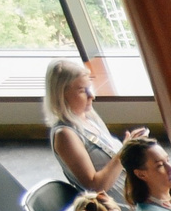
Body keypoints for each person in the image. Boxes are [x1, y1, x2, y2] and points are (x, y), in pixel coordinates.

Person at [44, 58, 148, 195]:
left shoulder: (88, 117)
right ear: (61, 95)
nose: (91, 96)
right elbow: (95, 186)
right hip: (118, 209)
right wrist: (124, 151)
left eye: (89, 88)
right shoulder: (65, 135)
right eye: (82, 91)